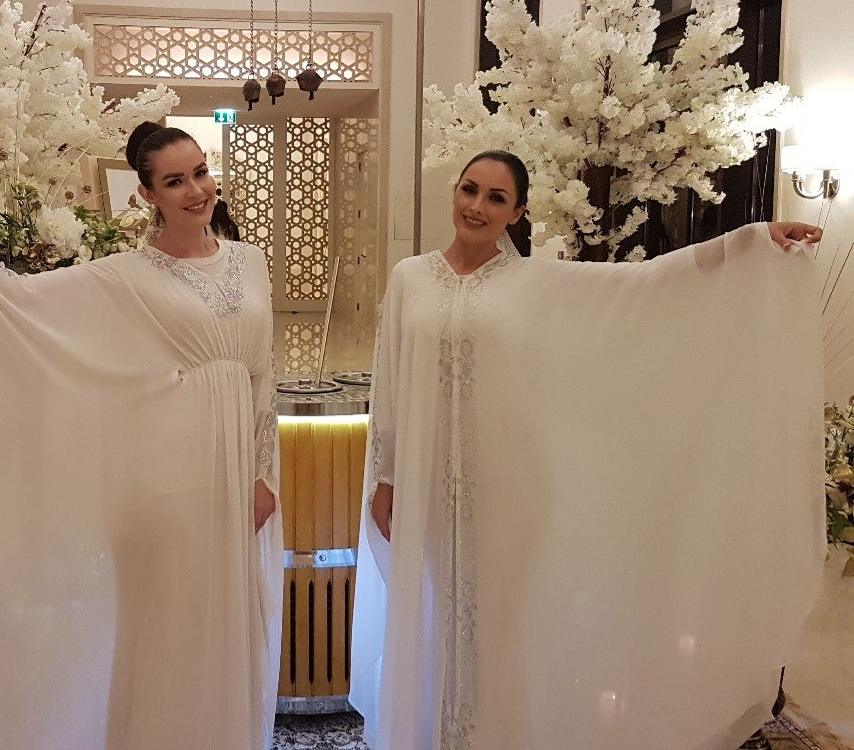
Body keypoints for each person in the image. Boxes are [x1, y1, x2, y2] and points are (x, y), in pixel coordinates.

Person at [0, 121, 282, 750]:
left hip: (237, 477)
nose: (196, 191)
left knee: (229, 628)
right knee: (169, 634)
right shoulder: (124, 275)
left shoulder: (250, 263)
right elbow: (14, 297)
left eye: (200, 172)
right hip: (166, 486)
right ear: (147, 195)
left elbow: (261, 374)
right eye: (175, 182)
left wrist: (262, 471)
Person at [349, 150, 826, 750]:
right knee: (432, 617)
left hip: (513, 493)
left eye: (496, 198)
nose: (477, 206)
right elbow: (389, 381)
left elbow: (646, 283)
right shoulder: (409, 278)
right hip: (425, 487)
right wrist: (387, 476)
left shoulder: (536, 282)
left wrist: (749, 243)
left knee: (499, 627)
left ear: (517, 213)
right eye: (469, 190)